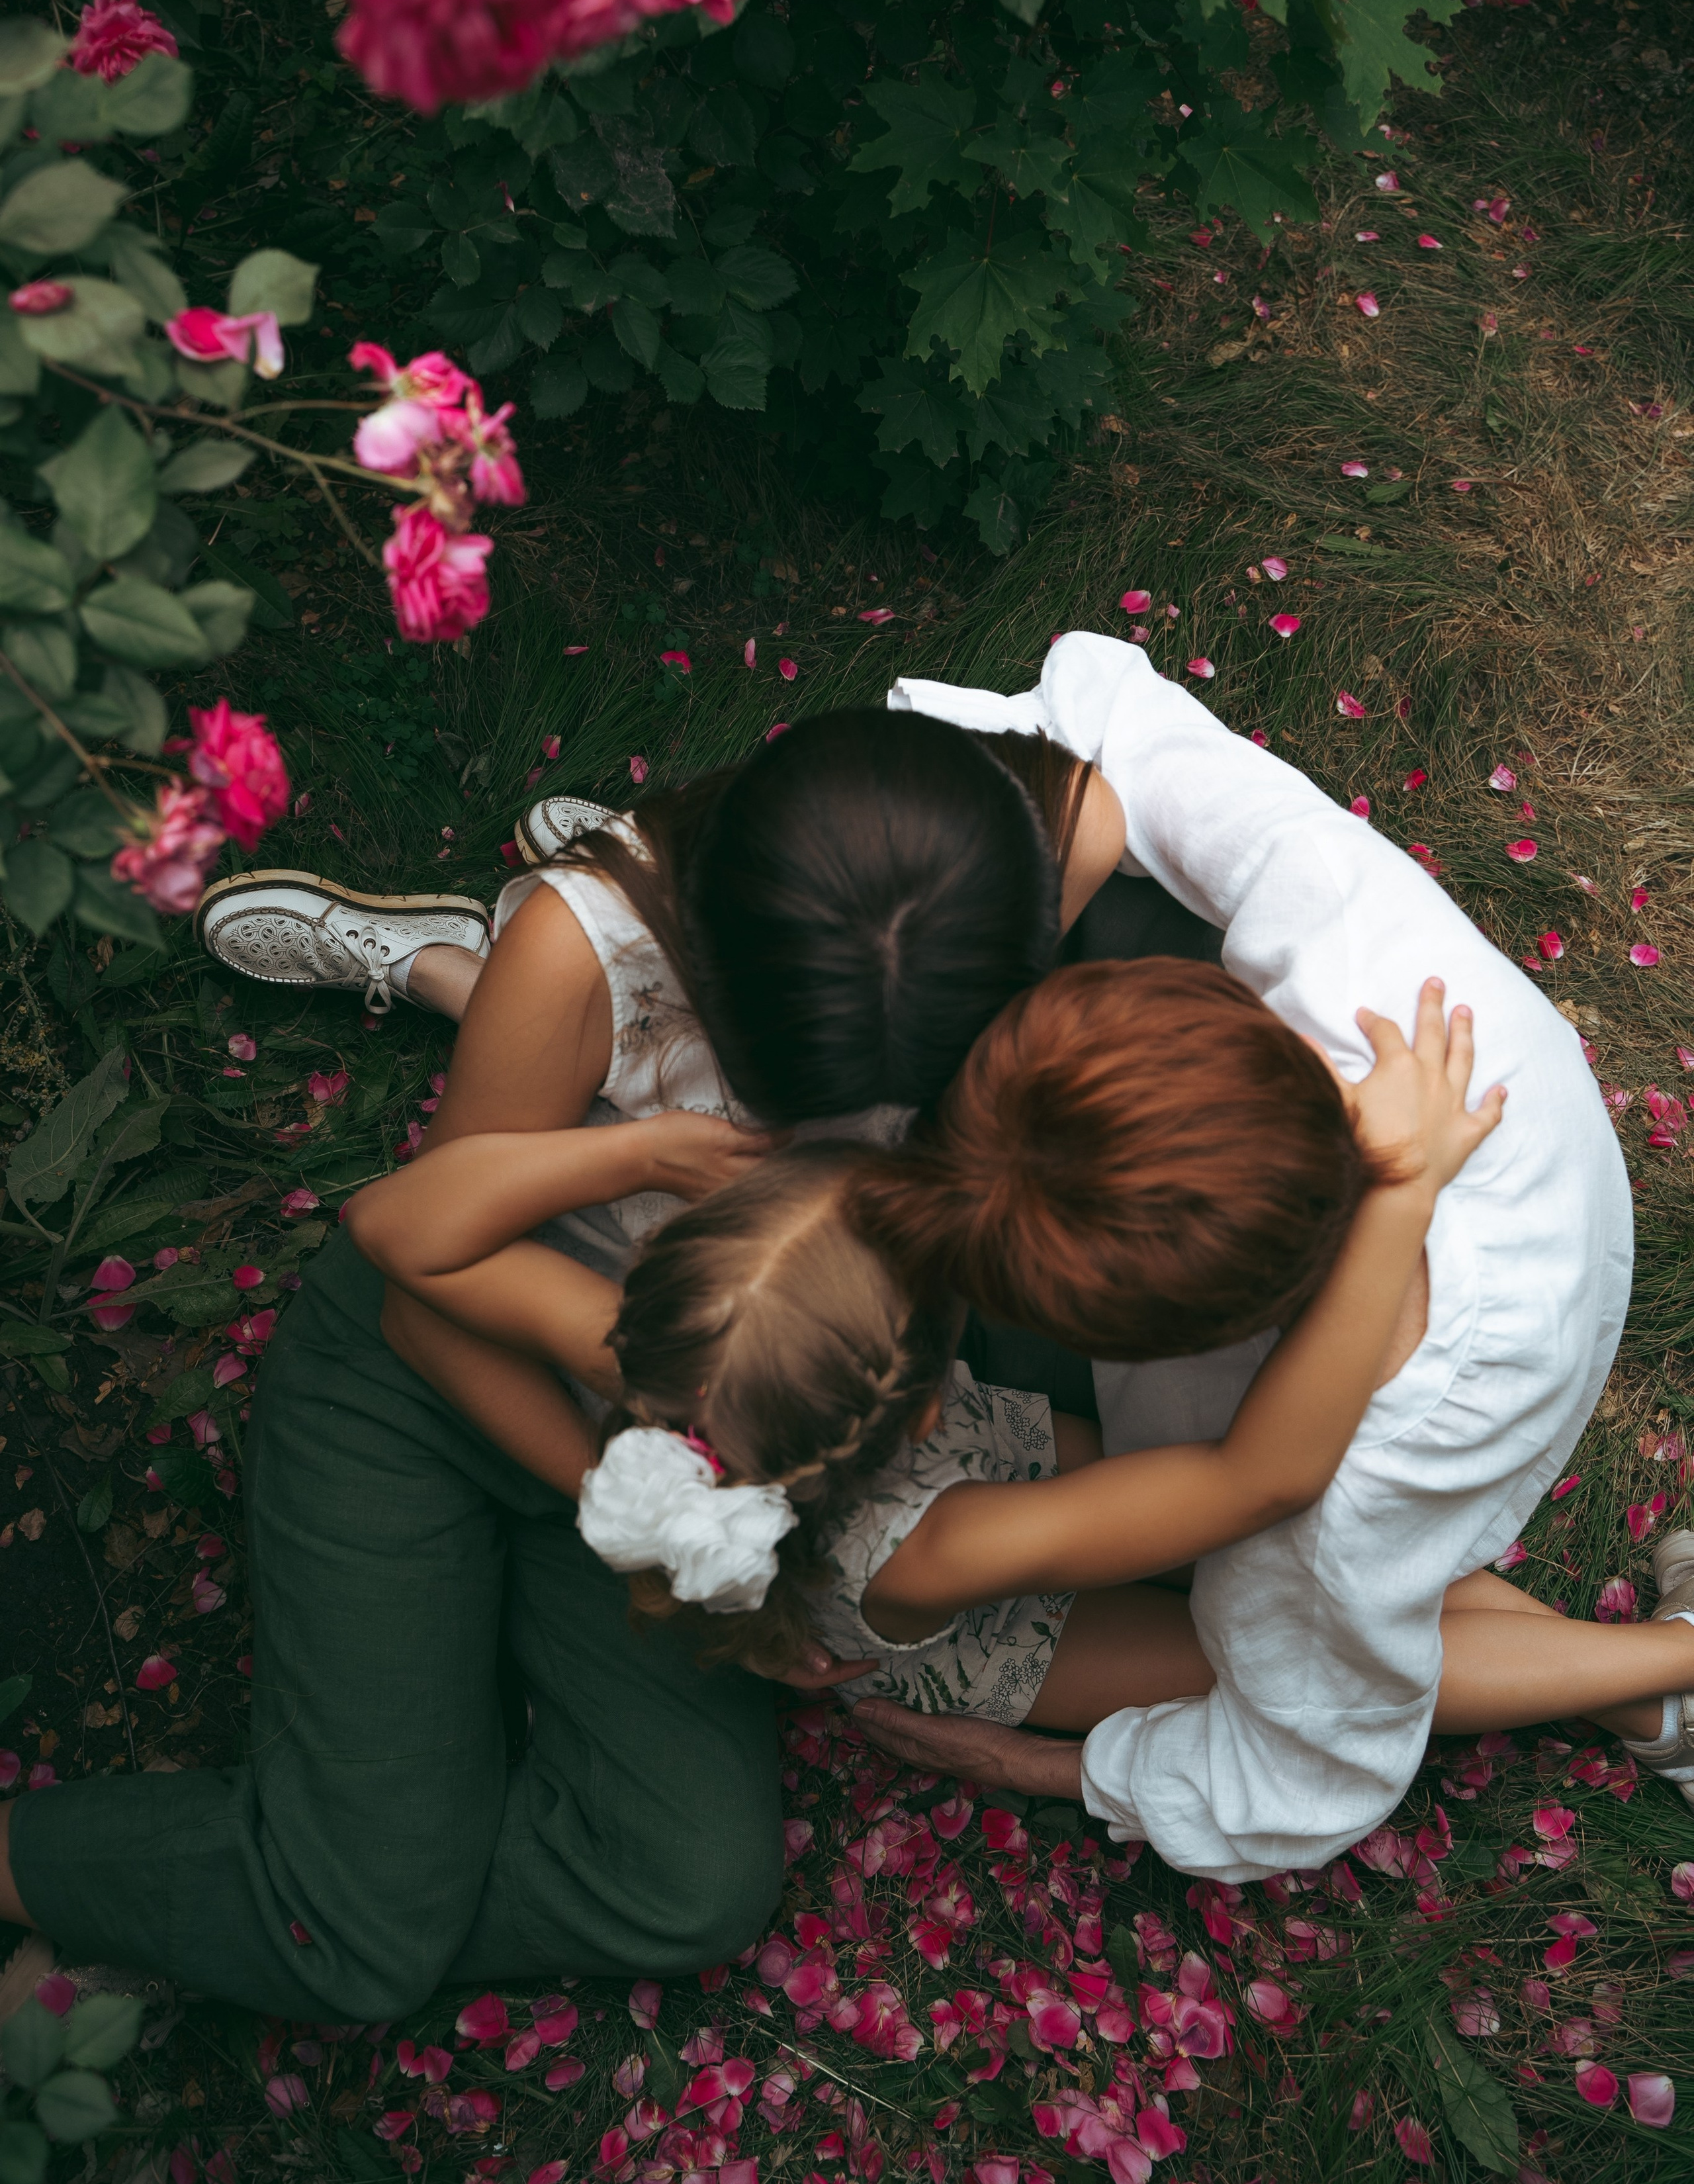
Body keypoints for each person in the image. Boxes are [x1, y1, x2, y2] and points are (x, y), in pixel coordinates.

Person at [0, 708, 1145, 2020]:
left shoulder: (1034, 841)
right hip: (441, 1375)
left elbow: (1122, 805)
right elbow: (426, 1300)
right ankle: (283, 1908)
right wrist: (669, 1525)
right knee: (368, 1940)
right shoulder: (579, 954)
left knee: (692, 1885)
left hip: (693, 1405)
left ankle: (288, 1904)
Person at [345, 977, 1694, 1766]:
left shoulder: (670, 1367)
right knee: (1286, 1659)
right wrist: (1399, 1189)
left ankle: (1646, 1683)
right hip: (983, 1639)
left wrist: (634, 1154)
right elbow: (1256, 1475)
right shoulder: (936, 1543)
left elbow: (391, 1227)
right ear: (935, 1392)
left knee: (1335, 1568)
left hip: (925, 1495)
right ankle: (1659, 1680)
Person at [839, 633, 1647, 1870]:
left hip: (1487, 1352)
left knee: (1270, 1620)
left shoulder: (1335, 1511)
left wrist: (1051, 1770)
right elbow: (1114, 725)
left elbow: (1311, 1764)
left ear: (1150, 1343)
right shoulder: (1340, 942)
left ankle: (1665, 1675)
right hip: (1515, 1151)